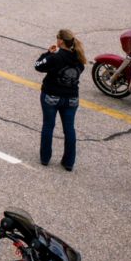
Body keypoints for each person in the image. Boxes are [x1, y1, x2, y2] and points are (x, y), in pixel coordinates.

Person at [35, 29, 85, 171]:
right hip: (71, 99)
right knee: (69, 129)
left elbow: (38, 66)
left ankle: (45, 158)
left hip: (52, 95)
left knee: (48, 126)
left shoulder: (56, 57)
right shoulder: (79, 58)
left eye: (57, 37)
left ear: (61, 41)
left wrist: (48, 53)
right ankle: (69, 162)